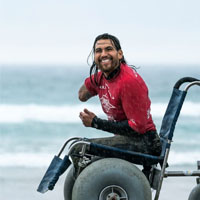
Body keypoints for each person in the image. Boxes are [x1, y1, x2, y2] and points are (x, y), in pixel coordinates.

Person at [74, 33, 161, 178]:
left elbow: (137, 128)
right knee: (77, 146)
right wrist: (96, 79)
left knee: (79, 149)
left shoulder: (128, 82)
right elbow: (81, 96)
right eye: (98, 51)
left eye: (109, 49)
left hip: (145, 143)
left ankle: (90, 192)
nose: (103, 54)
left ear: (119, 54)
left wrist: (96, 123)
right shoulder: (102, 77)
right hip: (127, 139)